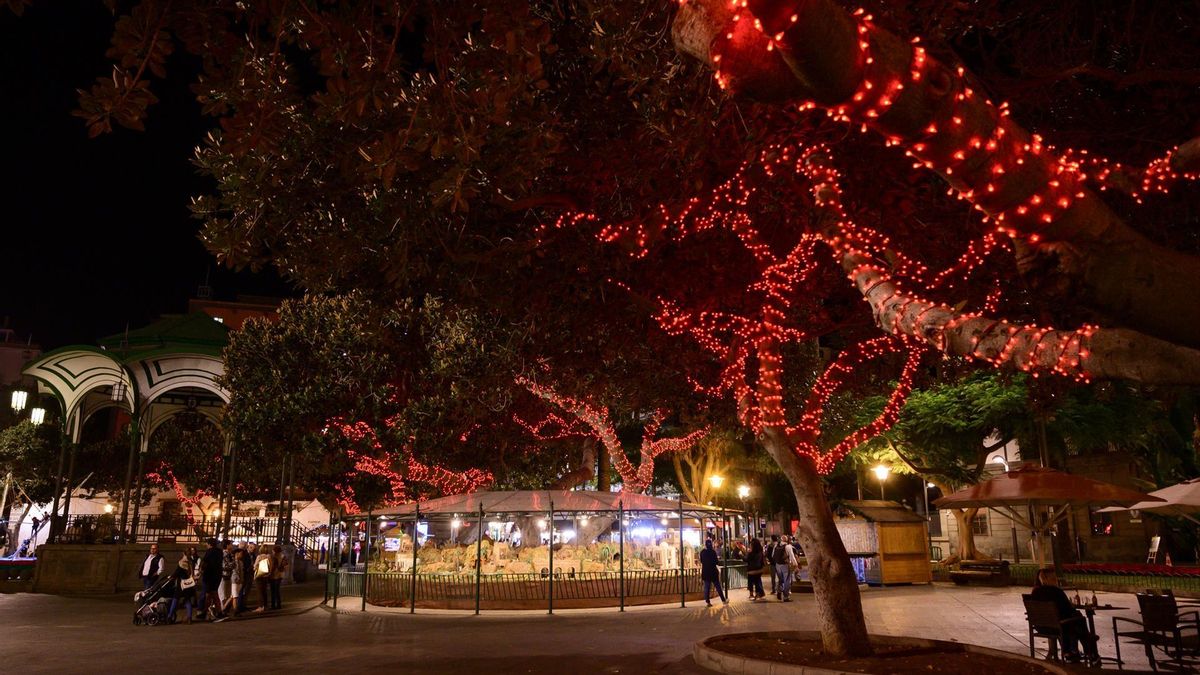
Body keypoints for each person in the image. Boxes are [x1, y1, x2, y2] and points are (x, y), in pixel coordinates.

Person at [1031, 568, 1098, 663]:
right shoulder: (1056, 592)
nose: (1057, 580)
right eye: (1054, 578)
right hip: (1059, 626)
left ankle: (1071, 652)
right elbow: (1068, 609)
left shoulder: (1035, 592)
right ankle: (1089, 652)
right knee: (1079, 620)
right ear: (1051, 579)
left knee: (1076, 621)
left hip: (1041, 626)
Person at [167, 555, 197, 624]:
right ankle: (189, 618)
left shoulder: (182, 564)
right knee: (187, 601)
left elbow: (176, 573)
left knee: (175, 600)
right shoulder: (191, 563)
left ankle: (169, 617)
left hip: (181, 585)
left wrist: (171, 577)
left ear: (184, 555)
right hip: (189, 585)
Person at [200, 538, 225, 620]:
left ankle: (210, 611)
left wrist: (201, 571)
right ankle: (212, 611)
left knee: (210, 594)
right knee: (213, 593)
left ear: (209, 544)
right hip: (217, 575)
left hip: (209, 575)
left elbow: (205, 562)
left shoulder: (209, 552)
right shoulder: (220, 551)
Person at [699, 538, 727, 606]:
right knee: (718, 586)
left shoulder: (702, 552)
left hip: (705, 572)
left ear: (705, 545)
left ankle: (708, 602)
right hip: (713, 572)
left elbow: (701, 561)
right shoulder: (713, 552)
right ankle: (723, 600)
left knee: (707, 587)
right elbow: (716, 562)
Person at [772, 535, 797, 601]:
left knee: (780, 579)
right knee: (787, 580)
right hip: (785, 565)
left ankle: (779, 591)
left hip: (778, 565)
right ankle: (786, 597)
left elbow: (773, 555)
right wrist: (795, 564)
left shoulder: (776, 546)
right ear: (787, 540)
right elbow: (792, 556)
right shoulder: (788, 546)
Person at [253, 546, 275, 612]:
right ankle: (265, 606)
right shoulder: (269, 556)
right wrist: (269, 573)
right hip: (266, 575)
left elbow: (255, 566)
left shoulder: (259, 557)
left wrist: (254, 568)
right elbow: (271, 566)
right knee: (264, 591)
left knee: (259, 591)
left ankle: (260, 606)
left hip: (259, 576)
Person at [269, 545, 288, 610]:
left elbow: (272, 567)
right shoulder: (283, 556)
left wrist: (270, 574)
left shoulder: (273, 557)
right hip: (280, 575)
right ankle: (278, 604)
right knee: (277, 590)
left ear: (274, 551)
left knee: (273, 590)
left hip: (274, 575)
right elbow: (286, 565)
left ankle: (273, 605)